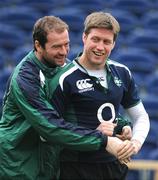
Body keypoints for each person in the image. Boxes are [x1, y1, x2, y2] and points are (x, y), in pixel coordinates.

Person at [0, 15, 132, 180]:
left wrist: (121, 125)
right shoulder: (25, 77)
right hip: (19, 165)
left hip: (50, 163)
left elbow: (87, 105)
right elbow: (49, 124)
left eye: (66, 44)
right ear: (38, 46)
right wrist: (103, 140)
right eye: (56, 47)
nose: (63, 52)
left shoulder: (64, 66)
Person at [47, 12, 150, 180]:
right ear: (84, 37)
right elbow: (51, 129)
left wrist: (135, 143)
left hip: (113, 166)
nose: (100, 47)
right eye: (95, 39)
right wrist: (95, 135)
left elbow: (141, 116)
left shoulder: (122, 73)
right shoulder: (64, 78)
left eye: (106, 42)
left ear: (114, 44)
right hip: (74, 168)